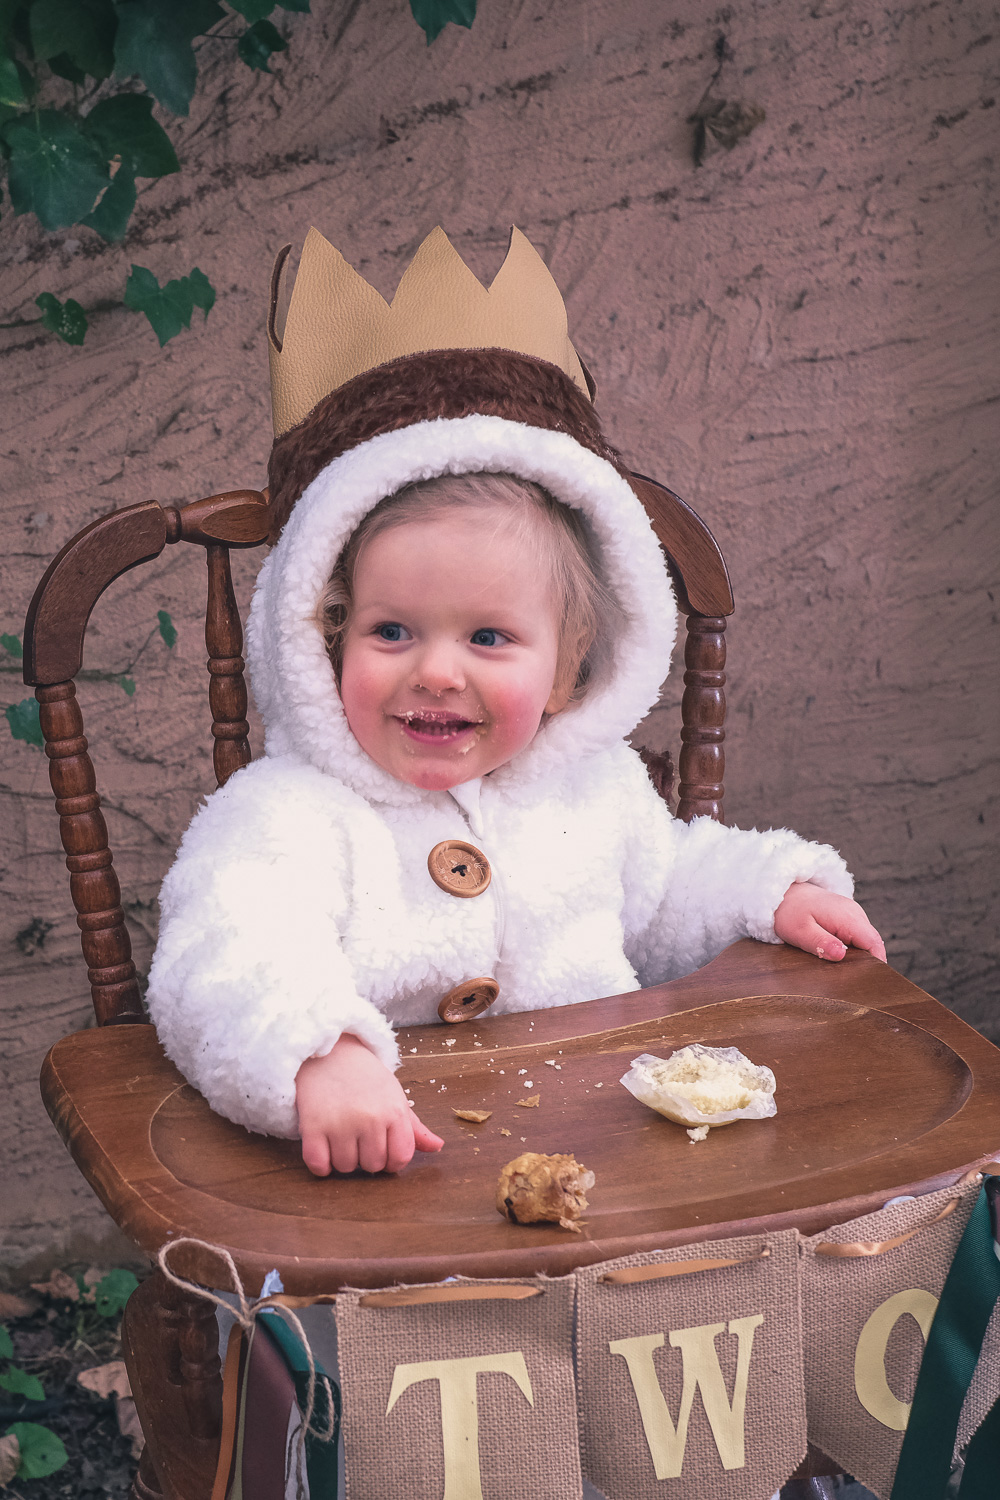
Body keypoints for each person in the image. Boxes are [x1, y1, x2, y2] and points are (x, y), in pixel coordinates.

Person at [146, 226, 885, 1184]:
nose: (438, 672)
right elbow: (228, 949)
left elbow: (661, 889)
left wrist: (770, 893)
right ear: (322, 637)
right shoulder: (285, 815)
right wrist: (317, 1054)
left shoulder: (594, 790)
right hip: (396, 1170)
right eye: (392, 632)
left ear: (572, 670)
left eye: (488, 638)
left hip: (604, 1147)